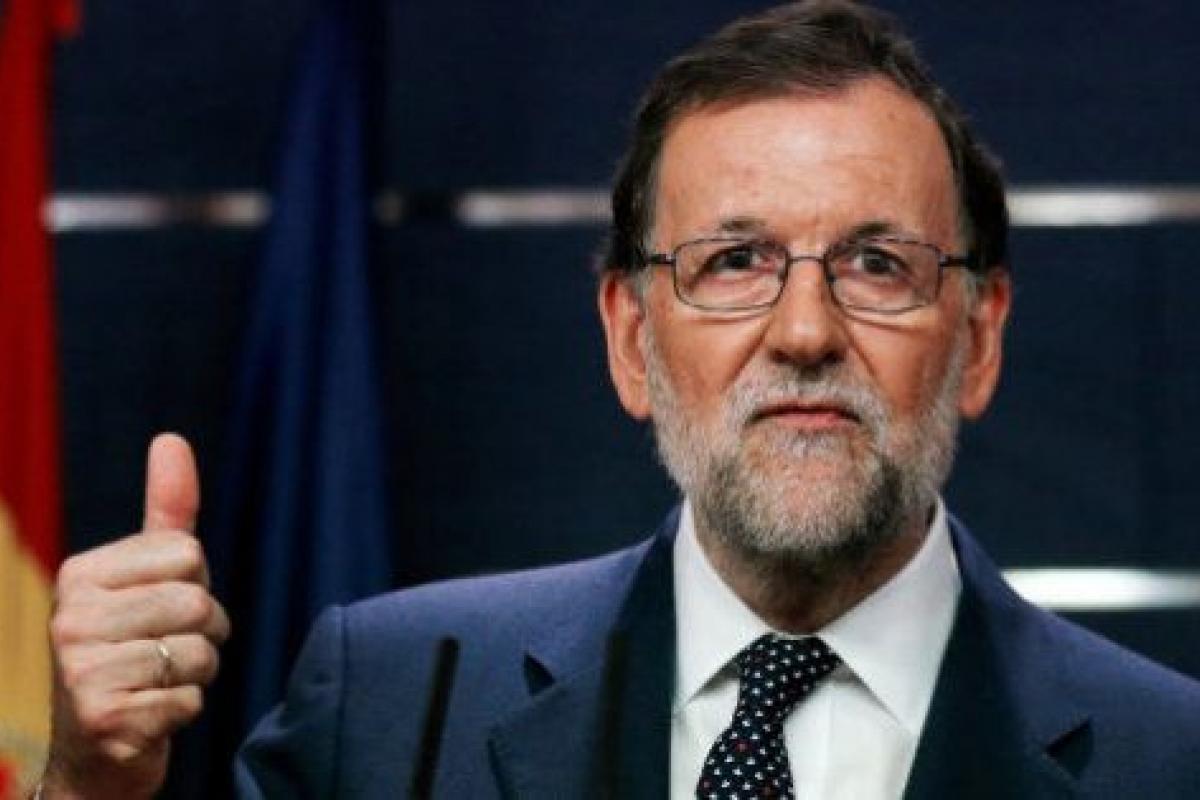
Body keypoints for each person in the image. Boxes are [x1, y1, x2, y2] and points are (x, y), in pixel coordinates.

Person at [38, 1, 1200, 798]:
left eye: (877, 263)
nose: (805, 331)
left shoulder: (1171, 758)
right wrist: (91, 784)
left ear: (979, 338)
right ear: (631, 338)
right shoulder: (390, 704)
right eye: (733, 261)